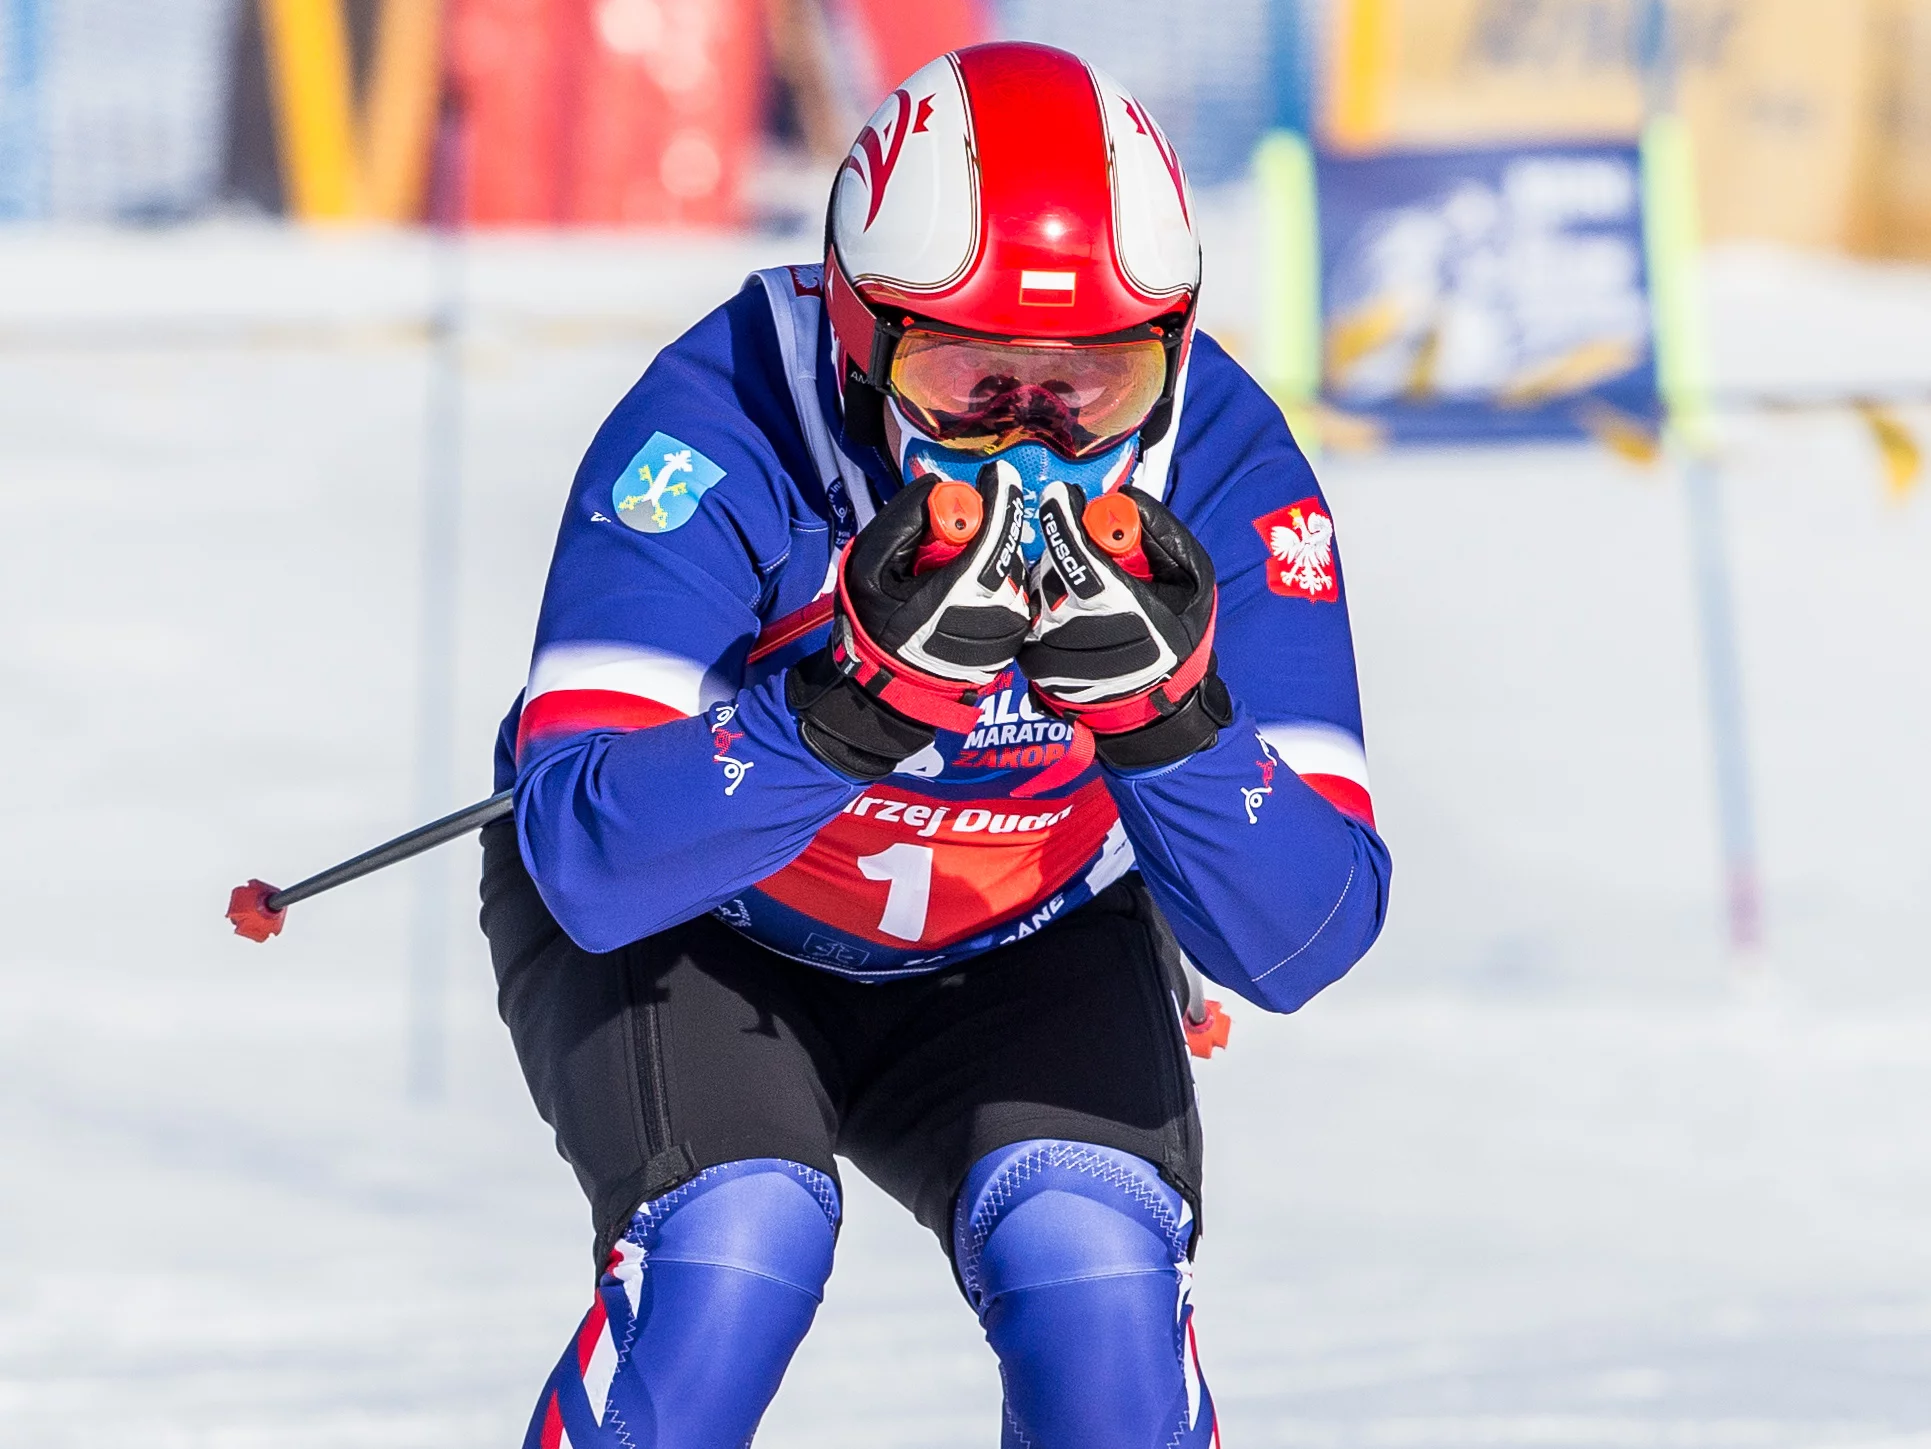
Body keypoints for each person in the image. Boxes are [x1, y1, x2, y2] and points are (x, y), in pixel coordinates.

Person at [482, 40, 1391, 1449]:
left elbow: (1301, 938)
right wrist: (848, 708)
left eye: (1092, 384)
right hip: (707, 933)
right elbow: (590, 860)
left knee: (1095, 1280)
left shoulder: (1219, 457)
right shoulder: (725, 412)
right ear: (860, 335)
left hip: (1021, 935)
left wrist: (1171, 729)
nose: (1029, 443)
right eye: (970, 378)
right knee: (735, 1249)